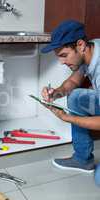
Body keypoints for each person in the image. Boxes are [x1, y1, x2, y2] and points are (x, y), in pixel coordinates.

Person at [41, 19, 100, 176]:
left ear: (80, 45)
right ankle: (82, 160)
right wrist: (56, 92)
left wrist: (67, 118)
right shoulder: (91, 48)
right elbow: (74, 80)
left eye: (64, 55)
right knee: (75, 96)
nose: (61, 62)